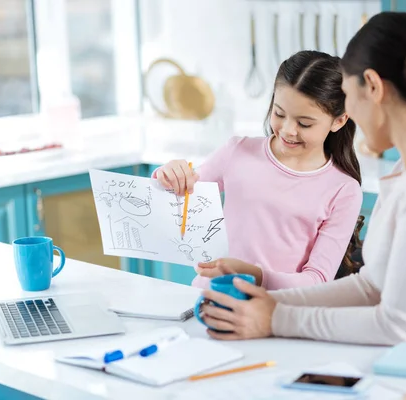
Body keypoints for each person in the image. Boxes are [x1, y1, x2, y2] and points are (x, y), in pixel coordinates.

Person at [198, 12, 406, 349]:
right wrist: (275, 304)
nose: (349, 117)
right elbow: (371, 287)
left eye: (348, 96)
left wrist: (274, 319)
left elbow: (395, 325)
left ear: (373, 87)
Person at [152, 51, 363, 290]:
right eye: (279, 113)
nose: (287, 130)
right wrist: (169, 175)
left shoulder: (343, 189)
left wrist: (252, 275)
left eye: (304, 123)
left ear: (339, 120)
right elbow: (174, 197)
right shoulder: (237, 151)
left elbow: (316, 281)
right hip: (206, 299)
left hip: (275, 316)